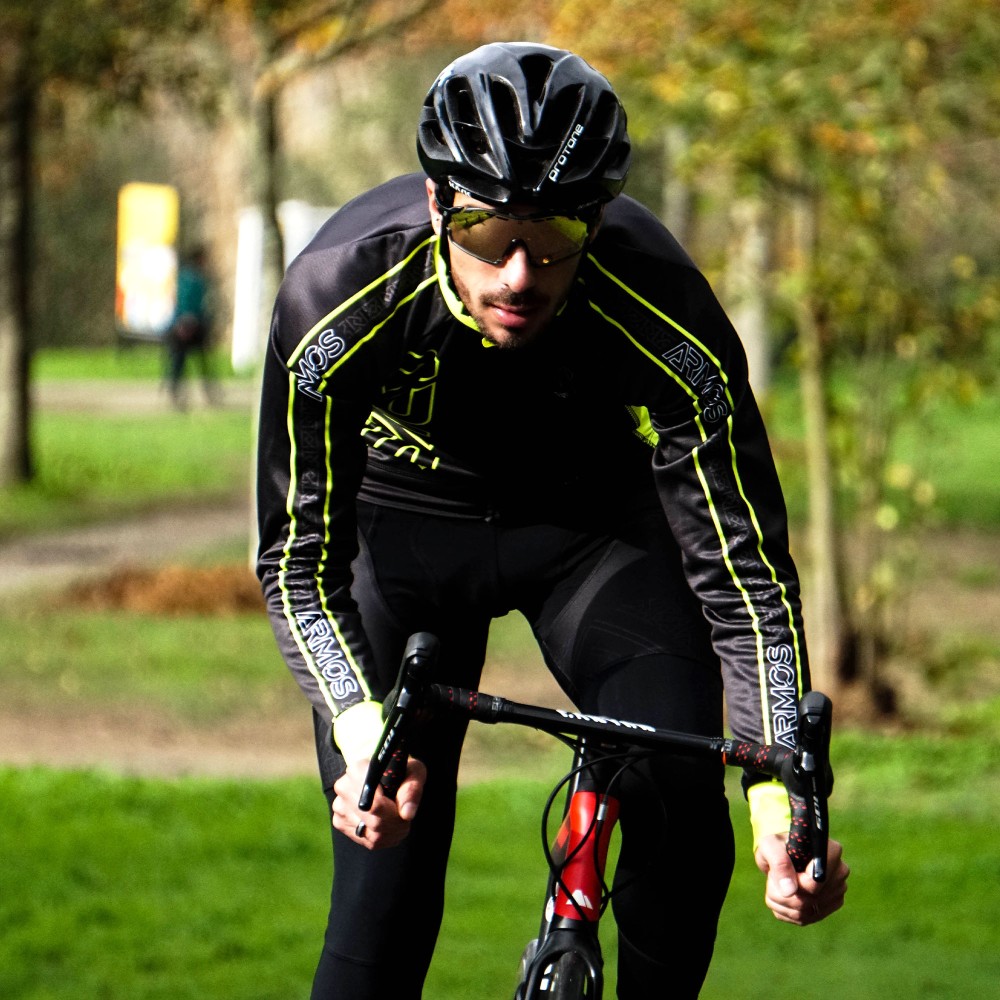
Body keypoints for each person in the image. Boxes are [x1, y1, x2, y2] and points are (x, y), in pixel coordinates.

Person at [256, 41, 849, 999]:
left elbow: (745, 578)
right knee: (384, 870)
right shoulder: (337, 294)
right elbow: (296, 554)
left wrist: (783, 797)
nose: (519, 275)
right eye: (488, 233)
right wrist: (359, 727)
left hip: (589, 535)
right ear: (438, 203)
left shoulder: (667, 311)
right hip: (403, 534)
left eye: (555, 235)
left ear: (599, 219)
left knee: (678, 809)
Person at [164, 246, 218, 408]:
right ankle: (198, 392)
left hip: (182, 324)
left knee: (181, 362)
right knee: (194, 361)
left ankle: (177, 392)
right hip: (189, 325)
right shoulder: (194, 279)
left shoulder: (184, 277)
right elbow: (190, 303)